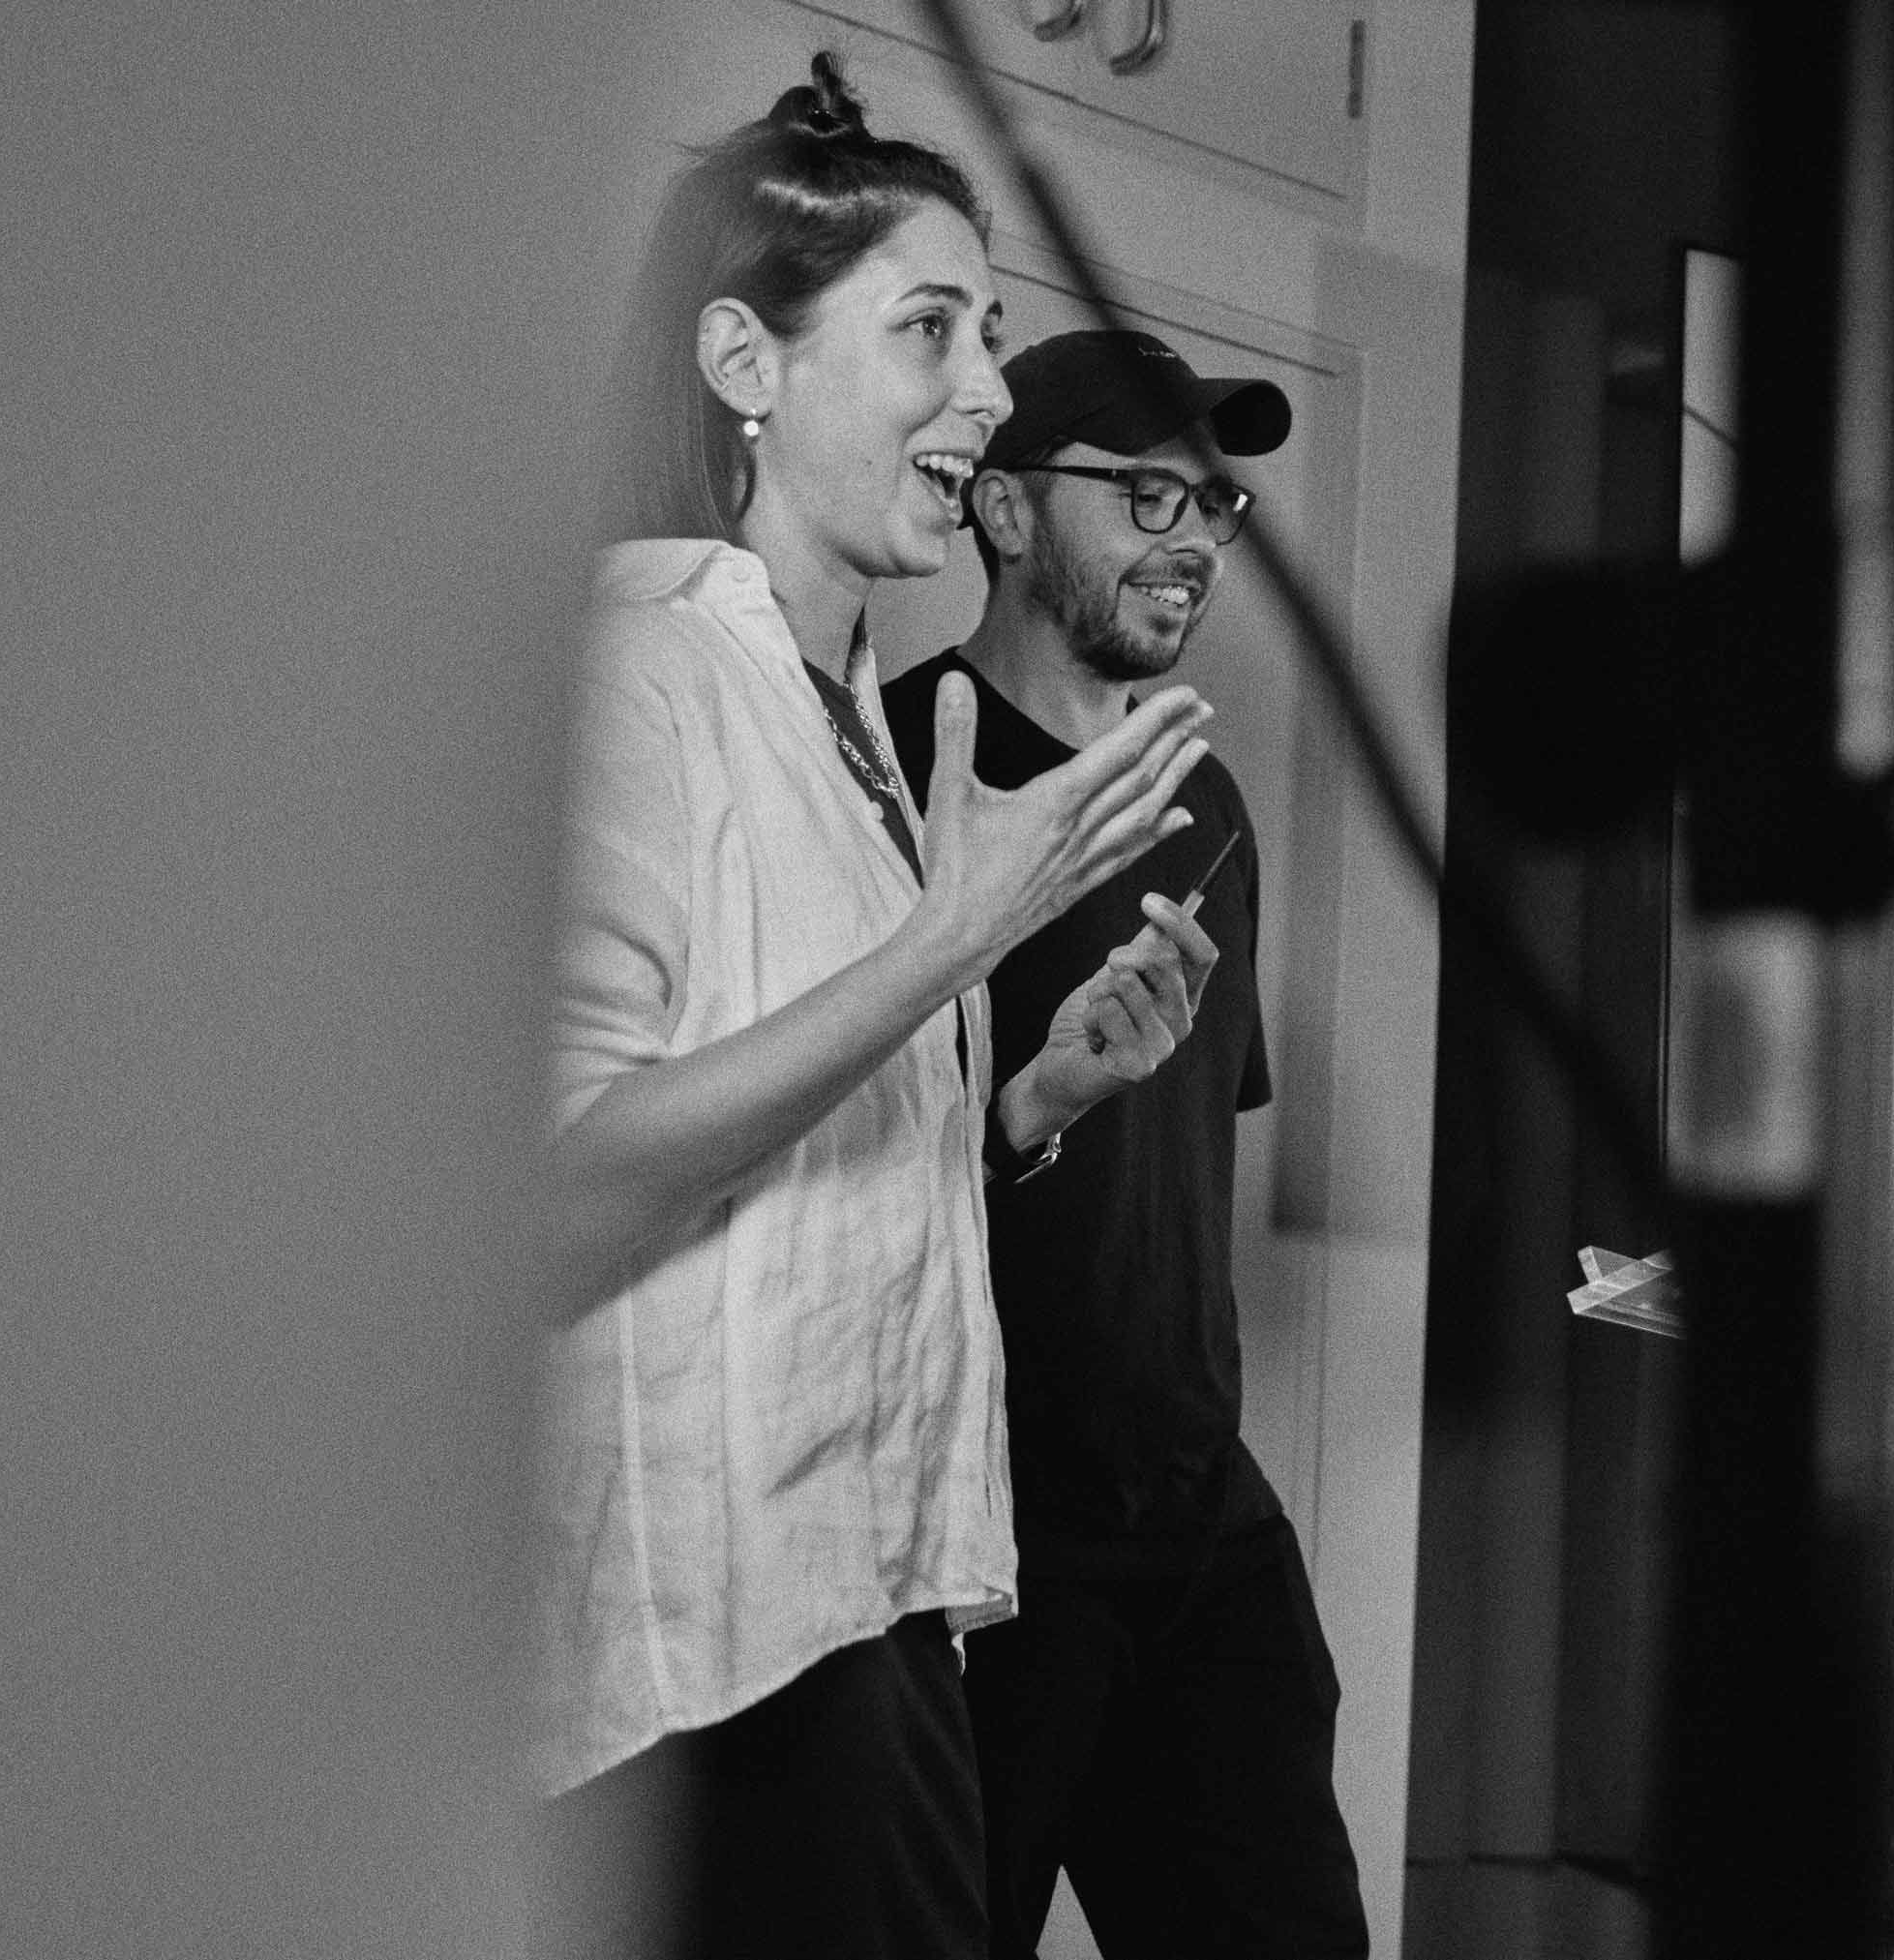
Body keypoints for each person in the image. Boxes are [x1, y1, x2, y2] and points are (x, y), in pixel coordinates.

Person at [537, 61, 1228, 1960]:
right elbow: (563, 1184)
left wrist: (1027, 1101)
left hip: (883, 1610)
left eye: (992, 337)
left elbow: (797, 1169)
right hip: (730, 1666)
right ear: (745, 363)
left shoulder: (840, 726)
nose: (991, 394)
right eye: (932, 328)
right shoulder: (644, 674)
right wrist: (950, 939)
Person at [881, 328, 1368, 1957]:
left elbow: (1176, 1196)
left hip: (1193, 1521)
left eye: (1214, 504)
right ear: (1007, 513)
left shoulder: (1205, 800)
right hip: (981, 1543)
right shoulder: (884, 771)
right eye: (1145, 492)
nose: (1193, 537)